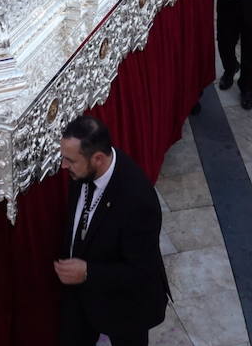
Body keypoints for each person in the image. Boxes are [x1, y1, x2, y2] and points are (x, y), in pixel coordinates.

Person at [56, 115, 169, 346]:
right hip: (83, 299)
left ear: (97, 158)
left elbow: (141, 272)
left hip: (125, 306)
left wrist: (88, 272)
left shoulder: (138, 201)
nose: (63, 166)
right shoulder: (82, 170)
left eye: (70, 160)